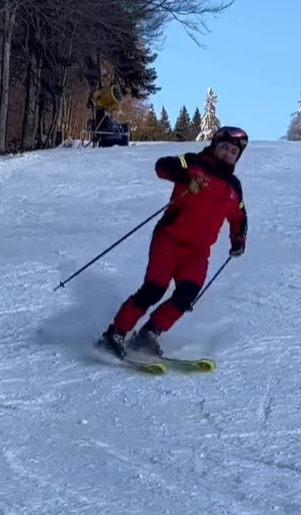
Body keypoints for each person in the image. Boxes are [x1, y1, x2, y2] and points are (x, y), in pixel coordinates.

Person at [100, 126, 249, 359]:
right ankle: (115, 333)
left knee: (187, 295)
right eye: (223, 147)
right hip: (169, 240)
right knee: (154, 290)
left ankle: (149, 333)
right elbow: (163, 166)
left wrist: (238, 239)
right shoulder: (193, 161)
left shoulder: (234, 187)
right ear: (214, 146)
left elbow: (239, 217)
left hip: (198, 252)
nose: (227, 153)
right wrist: (186, 175)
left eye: (233, 151)